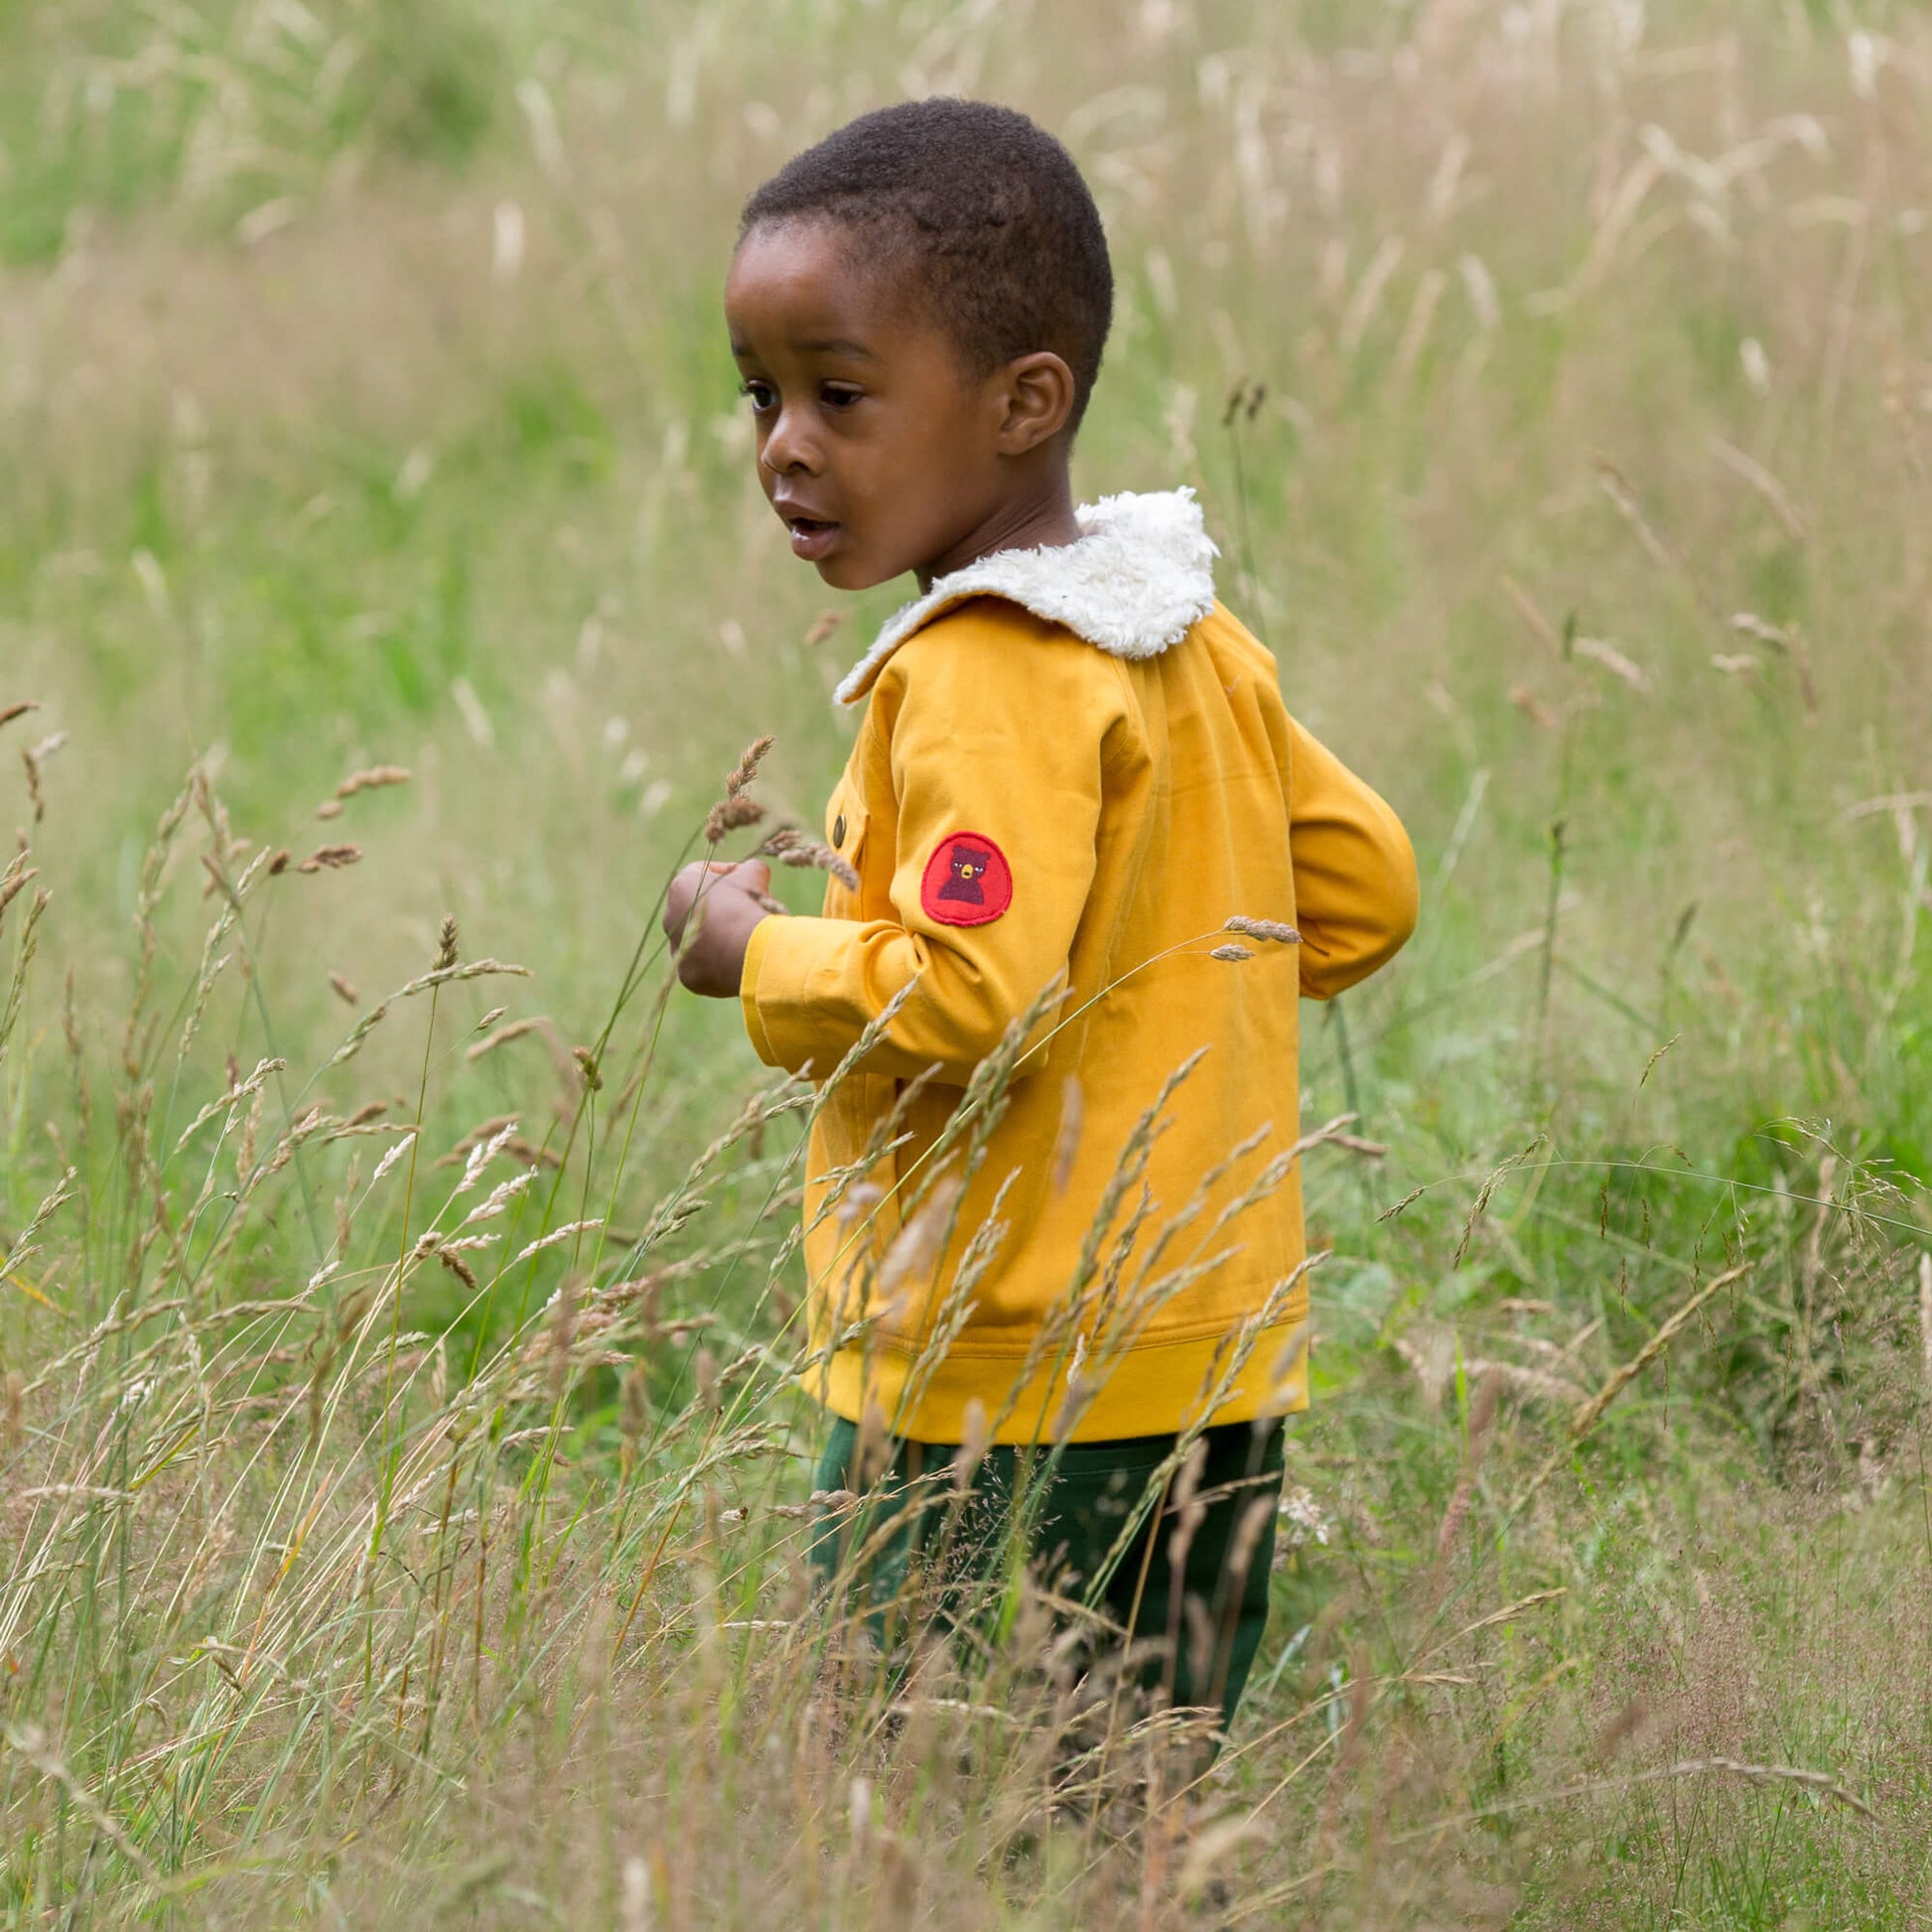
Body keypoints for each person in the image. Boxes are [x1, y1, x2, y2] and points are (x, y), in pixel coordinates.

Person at [665, 98, 1418, 1734]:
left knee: (908, 1782)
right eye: (761, 395)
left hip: (993, 1369)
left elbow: (962, 992)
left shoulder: (985, 668)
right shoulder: (1181, 636)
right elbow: (1361, 891)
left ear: (1025, 403)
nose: (783, 442)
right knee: (1140, 1807)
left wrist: (753, 955)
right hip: (1213, 1340)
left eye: (838, 394)